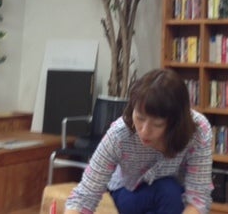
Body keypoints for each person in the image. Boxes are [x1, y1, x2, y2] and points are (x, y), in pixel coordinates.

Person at [64, 68, 213, 214]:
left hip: (174, 197)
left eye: (157, 124)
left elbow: (198, 199)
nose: (144, 131)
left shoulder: (198, 130)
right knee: (168, 191)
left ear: (175, 123)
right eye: (140, 118)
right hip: (128, 192)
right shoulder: (119, 134)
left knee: (170, 191)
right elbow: (85, 194)